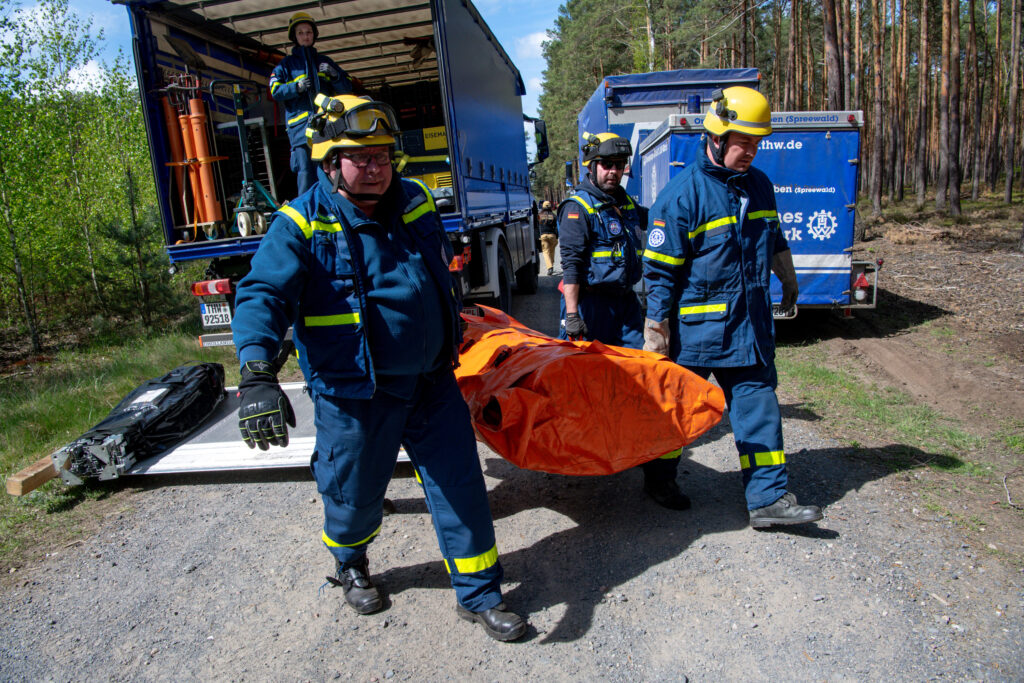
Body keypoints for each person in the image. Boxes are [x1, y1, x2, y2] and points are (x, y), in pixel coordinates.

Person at [230, 94, 527, 642]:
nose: (374, 167)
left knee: (460, 484)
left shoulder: (414, 200)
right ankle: (349, 561)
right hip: (355, 394)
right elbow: (261, 295)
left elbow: (436, 272)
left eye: (382, 156)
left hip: (433, 382)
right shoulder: (300, 223)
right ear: (328, 163)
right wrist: (255, 373)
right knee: (354, 492)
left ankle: (480, 593)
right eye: (358, 156)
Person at [641, 86, 823, 529]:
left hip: (750, 329)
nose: (752, 152)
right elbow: (660, 275)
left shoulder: (759, 185)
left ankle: (768, 499)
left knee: (760, 408)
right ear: (718, 136)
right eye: (745, 141)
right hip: (698, 335)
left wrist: (789, 276)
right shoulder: (682, 196)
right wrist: (655, 338)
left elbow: (774, 237)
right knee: (676, 414)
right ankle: (659, 478)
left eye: (757, 142)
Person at [557, 132, 690, 510]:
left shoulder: (626, 204)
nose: (613, 172)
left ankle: (652, 472)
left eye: (618, 166)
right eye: (606, 165)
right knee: (585, 388)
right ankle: (582, 459)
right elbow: (570, 268)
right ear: (591, 165)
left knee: (644, 379)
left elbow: (660, 219)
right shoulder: (577, 208)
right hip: (590, 307)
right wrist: (572, 317)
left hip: (627, 307)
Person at [269, 11, 353, 196]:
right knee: (306, 174)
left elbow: (347, 88)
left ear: (314, 35)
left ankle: (335, 209)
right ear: (294, 37)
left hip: (328, 128)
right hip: (301, 131)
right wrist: (295, 87)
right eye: (301, 33)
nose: (305, 36)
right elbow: (275, 91)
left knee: (333, 170)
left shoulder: (325, 62)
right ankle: (309, 215)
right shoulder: (286, 65)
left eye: (308, 32)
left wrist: (335, 75)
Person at [538, 200, 558, 275]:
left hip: (543, 236)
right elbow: (556, 227)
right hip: (552, 236)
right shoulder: (554, 216)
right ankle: (551, 265)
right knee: (552, 251)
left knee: (546, 252)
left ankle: (550, 268)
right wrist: (557, 236)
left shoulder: (539, 215)